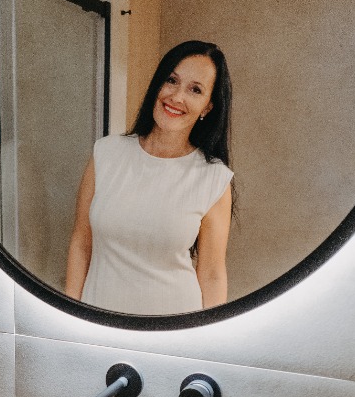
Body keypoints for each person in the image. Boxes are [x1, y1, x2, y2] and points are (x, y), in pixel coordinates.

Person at [65, 40, 234, 315]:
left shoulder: (214, 178)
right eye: (171, 80)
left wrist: (211, 336)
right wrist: (70, 315)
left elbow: (212, 273)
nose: (177, 97)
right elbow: (81, 243)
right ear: (157, 84)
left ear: (207, 107)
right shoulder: (106, 153)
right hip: (97, 322)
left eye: (195, 90)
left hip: (174, 329)